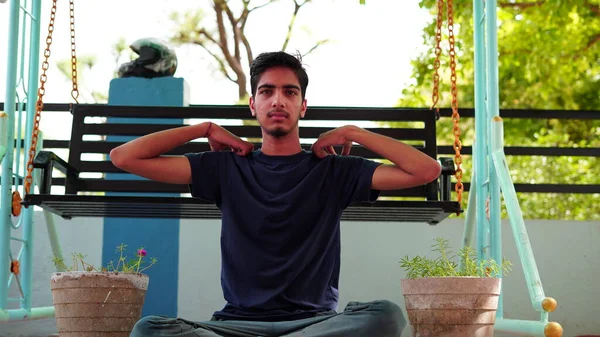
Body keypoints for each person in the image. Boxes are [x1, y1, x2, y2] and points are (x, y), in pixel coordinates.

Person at [110, 51, 441, 337]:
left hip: (314, 324)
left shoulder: (334, 169)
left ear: (303, 105)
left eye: (289, 92)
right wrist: (204, 129)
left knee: (386, 315)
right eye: (266, 92)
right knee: (150, 329)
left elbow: (426, 171)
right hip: (236, 325)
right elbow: (124, 157)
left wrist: (353, 132)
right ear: (253, 105)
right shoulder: (226, 168)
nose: (278, 100)